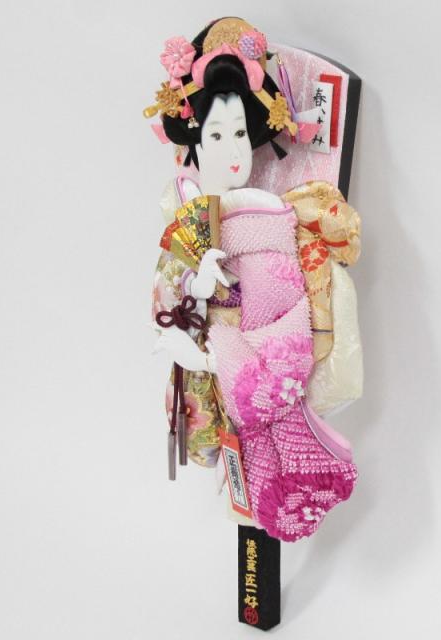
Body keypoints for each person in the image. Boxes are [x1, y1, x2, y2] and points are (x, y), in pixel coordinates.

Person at [147, 17, 358, 542]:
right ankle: (270, 495)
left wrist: (216, 354)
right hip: (217, 367)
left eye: (241, 133)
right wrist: (195, 296)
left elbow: (282, 307)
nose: (234, 150)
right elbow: (166, 300)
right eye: (217, 134)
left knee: (260, 448)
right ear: (195, 142)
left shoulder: (269, 212)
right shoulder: (187, 213)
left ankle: (289, 485)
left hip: (248, 360)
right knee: (235, 459)